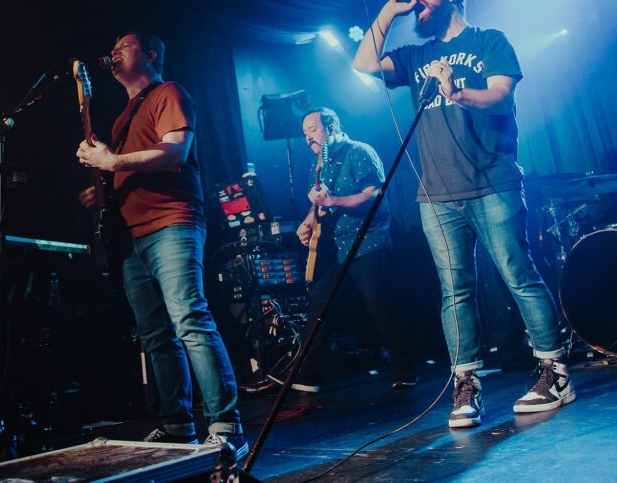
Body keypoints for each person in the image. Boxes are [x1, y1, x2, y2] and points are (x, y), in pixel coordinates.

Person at [352, 0, 575, 428]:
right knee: (454, 291)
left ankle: (555, 372)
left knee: (518, 274)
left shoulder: (488, 39)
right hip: (435, 193)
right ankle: (465, 385)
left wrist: (455, 91)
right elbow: (364, 65)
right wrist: (389, 12)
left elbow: (499, 95)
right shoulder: (414, 54)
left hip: (492, 179)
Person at [76, 30, 249, 456]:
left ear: (151, 55)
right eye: (112, 45)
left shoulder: (167, 92)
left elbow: (174, 151)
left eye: (125, 45)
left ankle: (227, 422)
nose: (113, 50)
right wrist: (104, 189)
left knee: (189, 317)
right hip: (132, 237)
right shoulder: (122, 118)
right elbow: (130, 170)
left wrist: (113, 162)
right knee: (155, 334)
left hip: (172, 223)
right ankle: (177, 425)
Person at [278, 107, 417, 393]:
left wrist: (334, 201)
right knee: (318, 302)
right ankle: (310, 376)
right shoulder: (316, 166)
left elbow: (373, 195)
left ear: (330, 127)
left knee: (377, 302)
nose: (308, 138)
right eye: (304, 133)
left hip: (368, 240)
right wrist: (306, 224)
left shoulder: (359, 152)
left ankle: (406, 371)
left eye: (312, 130)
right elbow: (318, 204)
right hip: (336, 246)